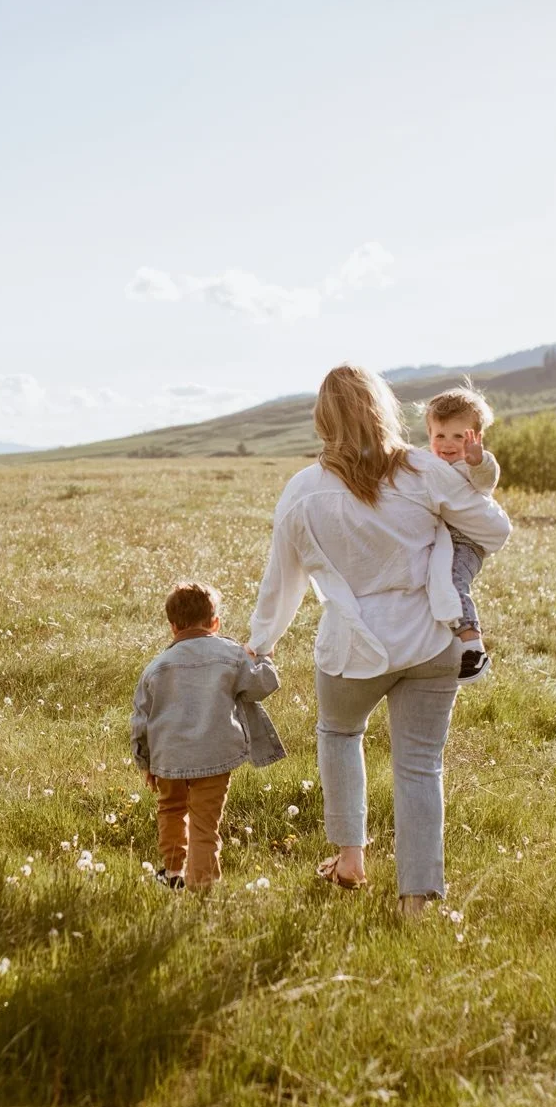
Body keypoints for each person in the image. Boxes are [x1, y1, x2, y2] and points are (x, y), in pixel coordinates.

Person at [247, 365, 513, 913]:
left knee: (340, 735)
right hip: (432, 640)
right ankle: (416, 903)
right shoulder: (423, 469)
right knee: (420, 765)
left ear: (323, 421)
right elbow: (495, 531)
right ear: (384, 411)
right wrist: (444, 542)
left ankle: (350, 859)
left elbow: (283, 581)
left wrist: (261, 642)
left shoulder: (303, 491)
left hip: (353, 646)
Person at [130, 581, 284, 891]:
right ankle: (202, 888)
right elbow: (261, 686)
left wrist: (144, 761)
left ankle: (174, 874)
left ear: (173, 626)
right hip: (215, 755)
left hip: (168, 757)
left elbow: (141, 720)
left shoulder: (156, 668)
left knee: (171, 810)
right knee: (204, 824)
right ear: (215, 622)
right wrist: (262, 657)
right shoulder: (231, 654)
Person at [422, 385, 501, 680]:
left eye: (459, 436)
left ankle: (474, 648)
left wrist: (477, 460)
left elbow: (486, 480)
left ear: (476, 438)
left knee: (454, 582)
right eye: (439, 435)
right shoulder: (429, 464)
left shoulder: (474, 464)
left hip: (467, 540)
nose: (448, 444)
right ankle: (443, 640)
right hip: (442, 538)